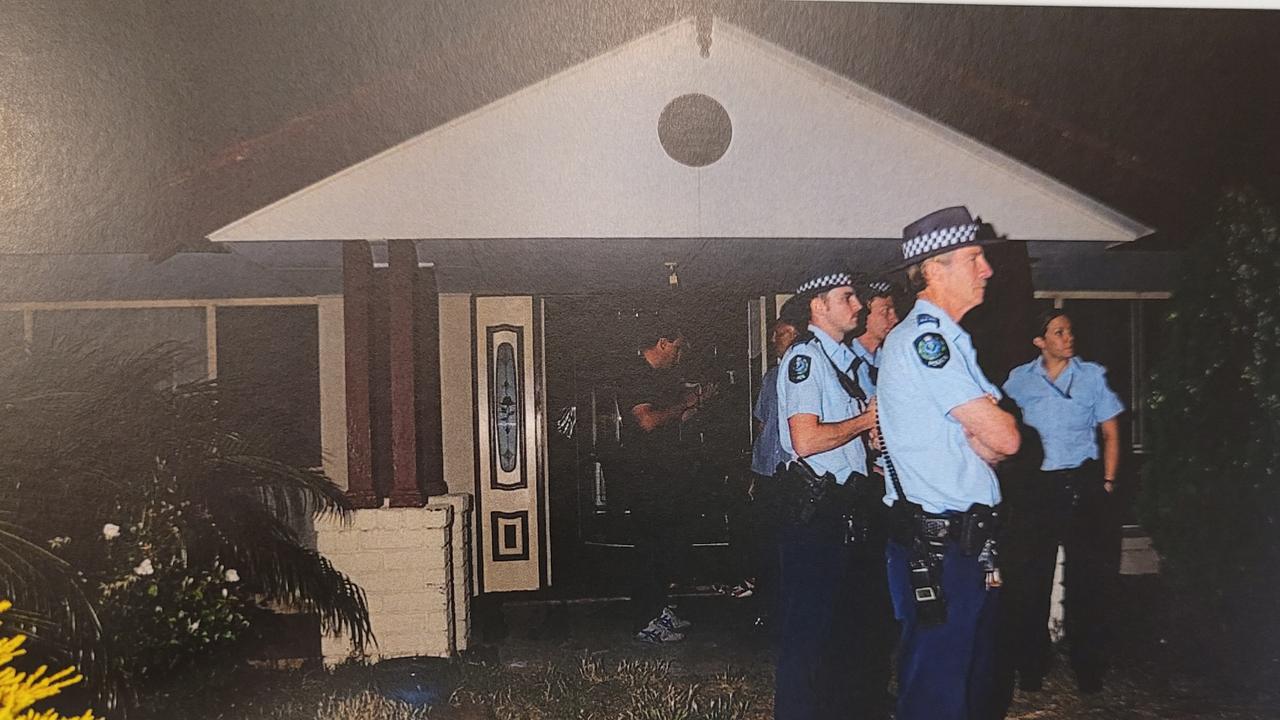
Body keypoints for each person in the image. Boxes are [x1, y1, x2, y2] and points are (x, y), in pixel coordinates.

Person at [877, 206, 1021, 720]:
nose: (986, 269)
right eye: (975, 257)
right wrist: (988, 432)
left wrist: (987, 434)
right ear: (935, 268)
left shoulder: (952, 342)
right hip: (939, 550)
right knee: (936, 695)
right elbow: (1004, 436)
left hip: (964, 543)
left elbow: (994, 443)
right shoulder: (926, 341)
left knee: (971, 688)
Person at [774, 265, 880, 720]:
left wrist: (867, 439)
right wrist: (863, 422)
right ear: (819, 306)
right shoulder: (806, 360)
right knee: (807, 631)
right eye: (848, 297)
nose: (859, 306)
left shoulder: (843, 361)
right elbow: (806, 440)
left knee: (844, 630)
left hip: (846, 509)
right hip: (816, 512)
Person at [1000, 309, 1124, 693]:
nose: (1069, 337)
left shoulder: (1092, 377)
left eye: (1070, 330)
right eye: (1059, 332)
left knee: (1090, 580)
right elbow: (1003, 430)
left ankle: (1089, 670)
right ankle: (1031, 668)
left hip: (1082, 484)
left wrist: (1106, 483)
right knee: (1028, 581)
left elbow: (1111, 433)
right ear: (1040, 341)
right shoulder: (1019, 381)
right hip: (1035, 488)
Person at [616, 313, 716, 644]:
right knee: (649, 551)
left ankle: (657, 610)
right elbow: (646, 422)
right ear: (663, 343)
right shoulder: (635, 374)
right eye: (679, 347)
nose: (680, 354)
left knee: (663, 549)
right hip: (645, 482)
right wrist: (682, 406)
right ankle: (645, 621)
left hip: (661, 480)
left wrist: (697, 404)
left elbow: (673, 419)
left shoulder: (657, 378)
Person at [732, 298, 804, 623]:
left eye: (780, 333)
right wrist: (752, 473)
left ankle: (783, 607)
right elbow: (760, 424)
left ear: (796, 334)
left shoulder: (805, 372)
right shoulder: (771, 377)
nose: (774, 340)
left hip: (791, 477)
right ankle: (764, 605)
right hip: (765, 473)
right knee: (763, 542)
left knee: (787, 546)